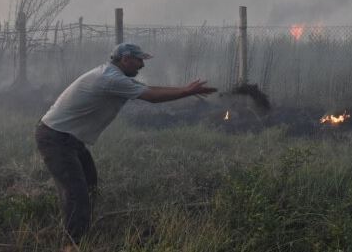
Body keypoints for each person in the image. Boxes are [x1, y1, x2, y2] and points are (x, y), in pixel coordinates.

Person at [35, 43, 217, 246]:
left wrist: (185, 89)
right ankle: (72, 244)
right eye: (139, 60)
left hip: (68, 138)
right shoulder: (109, 79)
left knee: (89, 186)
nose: (142, 65)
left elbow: (149, 89)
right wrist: (187, 91)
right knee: (77, 194)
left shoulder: (113, 76)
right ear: (126, 59)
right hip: (56, 138)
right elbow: (152, 97)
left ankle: (77, 230)